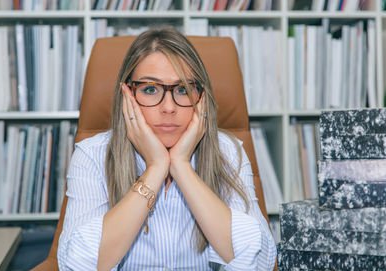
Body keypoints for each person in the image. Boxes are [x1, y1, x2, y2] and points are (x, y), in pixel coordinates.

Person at [57, 27, 276, 271]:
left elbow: (261, 262)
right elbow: (76, 264)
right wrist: (156, 168)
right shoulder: (93, 154)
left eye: (183, 89)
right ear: (127, 95)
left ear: (201, 97)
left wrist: (181, 166)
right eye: (150, 89)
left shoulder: (227, 151)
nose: (169, 107)